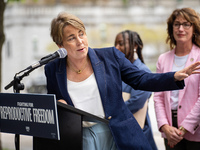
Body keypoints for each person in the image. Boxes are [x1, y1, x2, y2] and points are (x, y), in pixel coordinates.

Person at [44, 12, 200, 150]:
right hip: (80, 137)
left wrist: (173, 76)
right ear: (60, 45)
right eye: (71, 38)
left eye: (81, 34)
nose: (80, 41)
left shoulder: (109, 56)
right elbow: (55, 103)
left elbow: (141, 79)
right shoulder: (52, 69)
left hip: (116, 134)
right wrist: (60, 103)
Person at [153, 7, 200, 150]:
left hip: (195, 131)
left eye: (186, 24)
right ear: (171, 28)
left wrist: (184, 128)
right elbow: (158, 96)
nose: (181, 28)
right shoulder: (163, 59)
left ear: (194, 28)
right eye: (177, 24)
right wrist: (164, 126)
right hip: (169, 130)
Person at [114, 30, 157, 150]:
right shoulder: (116, 71)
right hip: (119, 132)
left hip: (137, 133)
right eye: (116, 44)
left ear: (135, 46)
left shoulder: (143, 72)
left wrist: (111, 111)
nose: (117, 47)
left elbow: (136, 102)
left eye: (121, 43)